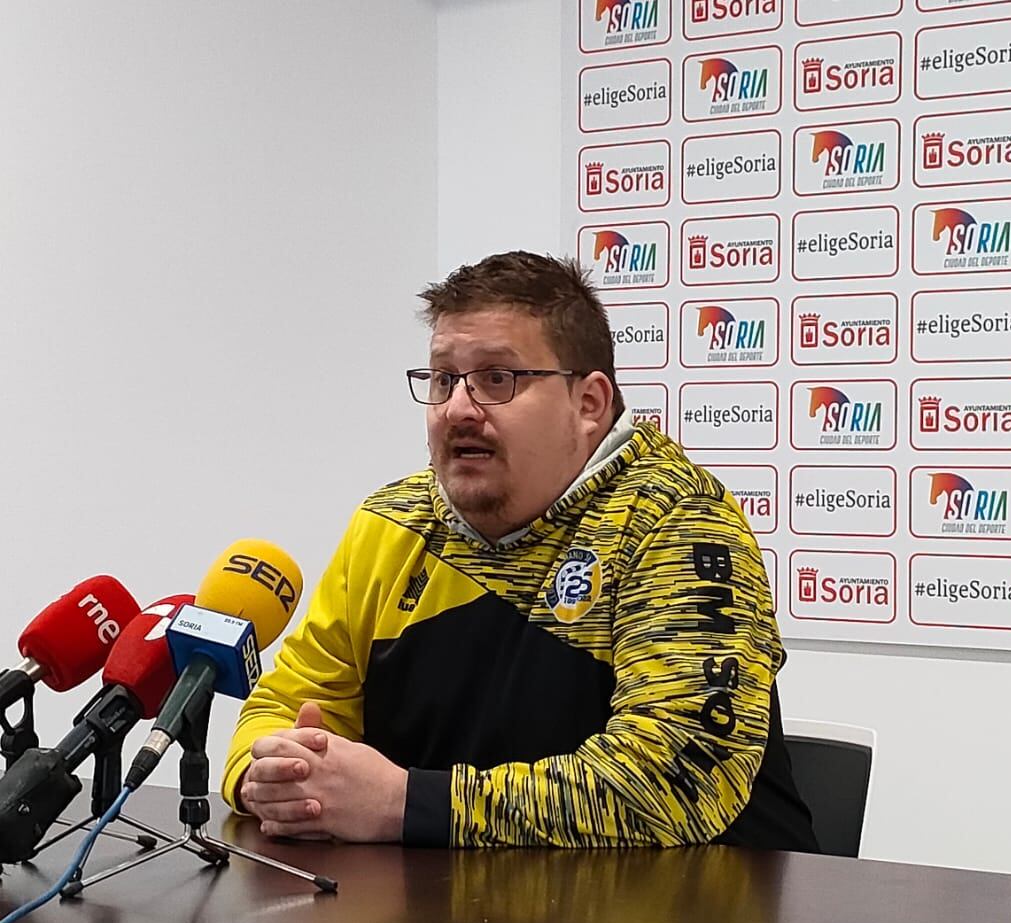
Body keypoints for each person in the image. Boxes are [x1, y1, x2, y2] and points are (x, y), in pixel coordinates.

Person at [221, 250, 817, 850]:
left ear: (588, 404)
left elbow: (673, 780)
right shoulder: (393, 522)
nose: (457, 408)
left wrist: (406, 804)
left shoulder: (673, 521)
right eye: (443, 379)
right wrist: (265, 777)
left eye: (496, 379)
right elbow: (288, 701)